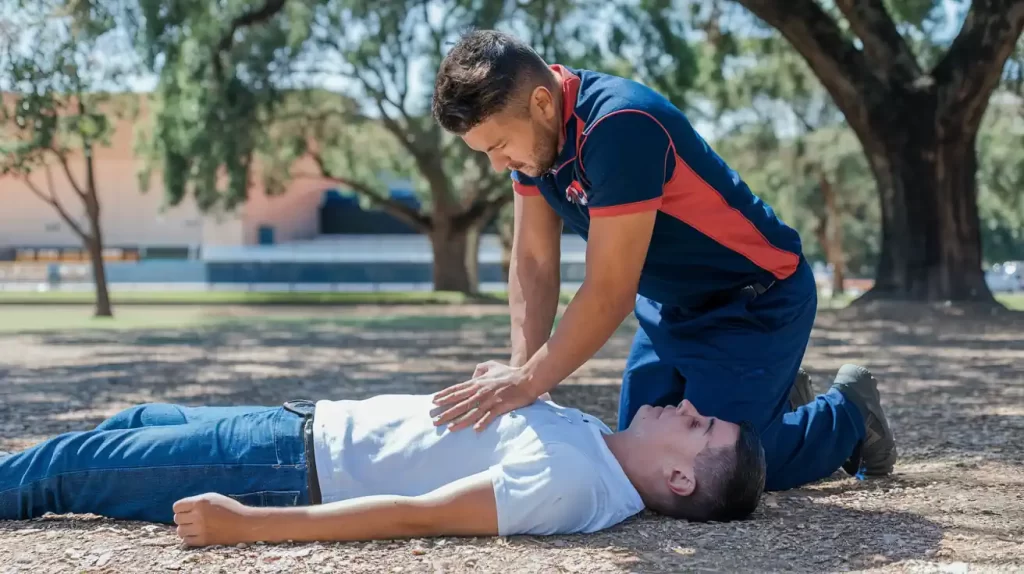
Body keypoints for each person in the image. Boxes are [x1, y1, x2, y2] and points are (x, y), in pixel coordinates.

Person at [428, 30, 897, 491]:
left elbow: (610, 291)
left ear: (542, 103)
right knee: (646, 462)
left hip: (755, 302)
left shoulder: (620, 125)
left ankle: (850, 413)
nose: (497, 164)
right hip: (670, 307)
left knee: (727, 471)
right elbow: (532, 259)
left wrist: (528, 382)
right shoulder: (535, 148)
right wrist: (520, 369)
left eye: (497, 147)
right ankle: (771, 393)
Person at [0, 384, 772, 547]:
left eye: (698, 425)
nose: (683, 407)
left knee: (62, 471)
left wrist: (249, 525)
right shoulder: (592, 444)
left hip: (278, 469)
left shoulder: (573, 484)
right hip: (293, 424)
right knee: (132, 423)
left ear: (680, 479)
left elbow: (420, 514)